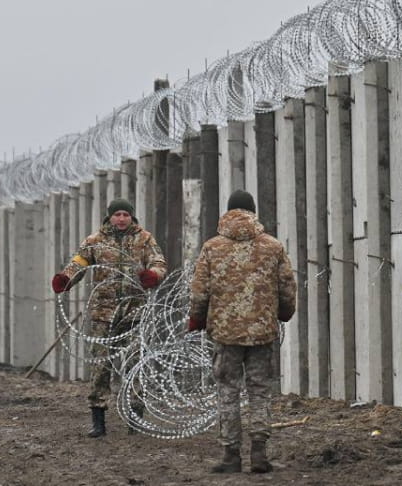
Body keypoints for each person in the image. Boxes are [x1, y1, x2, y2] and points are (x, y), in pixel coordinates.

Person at [187, 190, 296, 474]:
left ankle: (230, 455)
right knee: (260, 391)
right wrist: (284, 312)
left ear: (228, 212)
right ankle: (259, 453)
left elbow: (200, 291)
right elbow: (287, 286)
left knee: (227, 391)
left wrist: (197, 319)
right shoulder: (272, 246)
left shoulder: (212, 247)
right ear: (253, 211)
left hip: (225, 333)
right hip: (262, 332)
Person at [52, 198, 166, 438]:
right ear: (109, 217)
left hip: (134, 312)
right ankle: (98, 419)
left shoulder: (145, 239)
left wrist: (152, 275)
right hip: (103, 313)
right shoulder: (95, 242)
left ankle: (136, 418)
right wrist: (66, 279)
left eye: (125, 214)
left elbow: (158, 261)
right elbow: (79, 264)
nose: (121, 218)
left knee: (136, 364)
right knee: (100, 366)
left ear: (131, 216)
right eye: (117, 215)